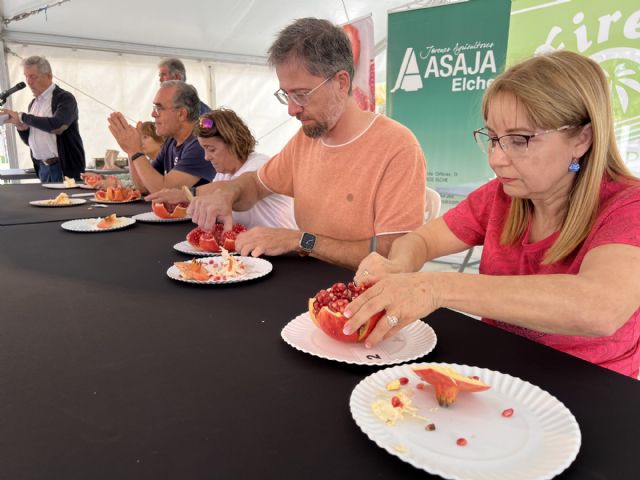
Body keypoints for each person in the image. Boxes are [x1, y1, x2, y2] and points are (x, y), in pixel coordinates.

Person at [344, 51, 640, 378]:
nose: (497, 159)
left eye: (519, 140)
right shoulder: (501, 196)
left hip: (591, 390)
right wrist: (399, 266)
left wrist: (435, 287)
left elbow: (600, 307)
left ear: (581, 138)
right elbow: (423, 240)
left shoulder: (629, 206)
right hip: (497, 375)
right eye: (494, 138)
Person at [187, 18, 426, 270]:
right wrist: (228, 192)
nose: (292, 109)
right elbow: (257, 185)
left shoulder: (397, 146)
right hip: (308, 283)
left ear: (341, 82)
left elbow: (396, 254)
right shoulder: (306, 139)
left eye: (301, 94)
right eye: (286, 95)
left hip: (367, 294)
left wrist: (302, 241)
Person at [147, 108, 296, 229]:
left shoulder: (260, 164)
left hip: (287, 255)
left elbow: (233, 188)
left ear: (233, 143)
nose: (206, 157)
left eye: (211, 149)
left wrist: (185, 194)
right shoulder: (223, 174)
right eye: (204, 149)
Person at [107, 80, 215, 194]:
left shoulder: (200, 144)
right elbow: (144, 187)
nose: (153, 114)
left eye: (159, 108)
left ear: (181, 114)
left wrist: (135, 151)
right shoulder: (171, 141)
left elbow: (162, 190)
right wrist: (130, 150)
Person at [1, 55, 85, 182]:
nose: (28, 82)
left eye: (33, 76)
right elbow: (33, 141)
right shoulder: (33, 104)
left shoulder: (65, 98)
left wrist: (22, 116)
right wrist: (21, 127)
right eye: (26, 76)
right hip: (43, 168)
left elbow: (57, 126)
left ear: (49, 76)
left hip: (63, 168)